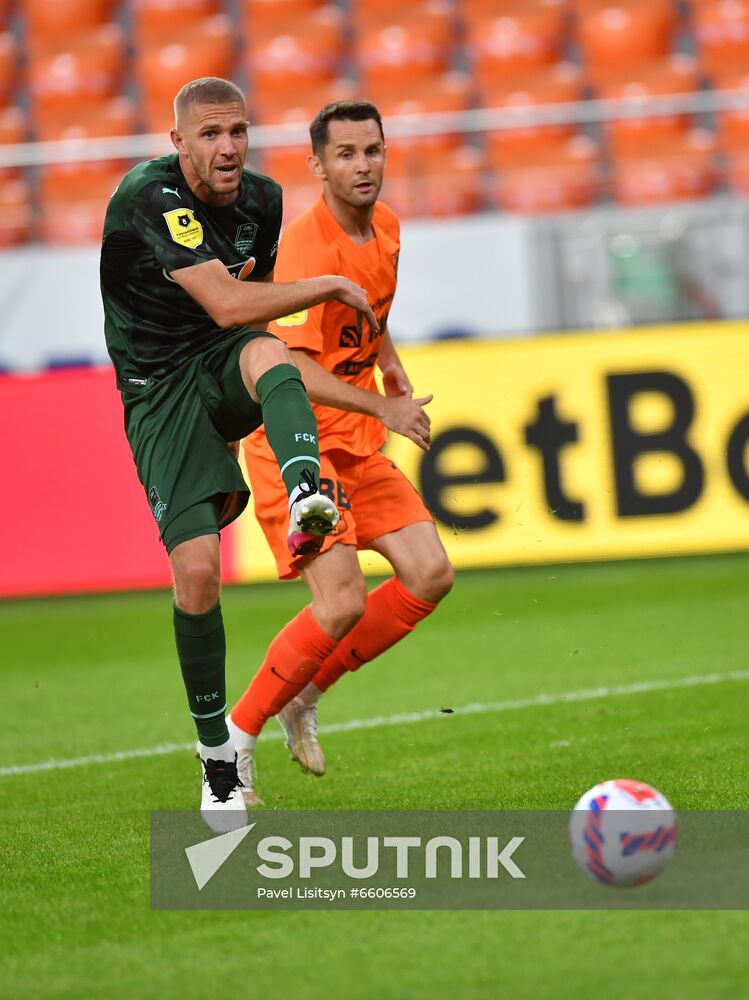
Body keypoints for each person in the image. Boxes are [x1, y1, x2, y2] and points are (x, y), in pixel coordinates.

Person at [99, 78, 379, 831]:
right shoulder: (148, 196)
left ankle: (306, 491)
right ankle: (217, 762)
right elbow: (226, 299)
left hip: (217, 361)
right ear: (179, 142)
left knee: (268, 356)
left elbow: (242, 316)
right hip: (155, 389)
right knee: (196, 574)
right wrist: (320, 283)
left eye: (238, 132)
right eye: (211, 135)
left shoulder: (260, 199)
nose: (228, 148)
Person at [226, 100, 455, 802]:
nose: (362, 165)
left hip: (352, 439)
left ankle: (305, 694)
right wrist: (385, 406)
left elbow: (368, 310)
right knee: (340, 604)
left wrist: (386, 360)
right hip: (295, 446)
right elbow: (290, 370)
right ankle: (232, 744)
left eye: (372, 150)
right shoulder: (304, 248)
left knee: (428, 572)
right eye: (346, 154)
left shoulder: (385, 225)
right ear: (317, 165)